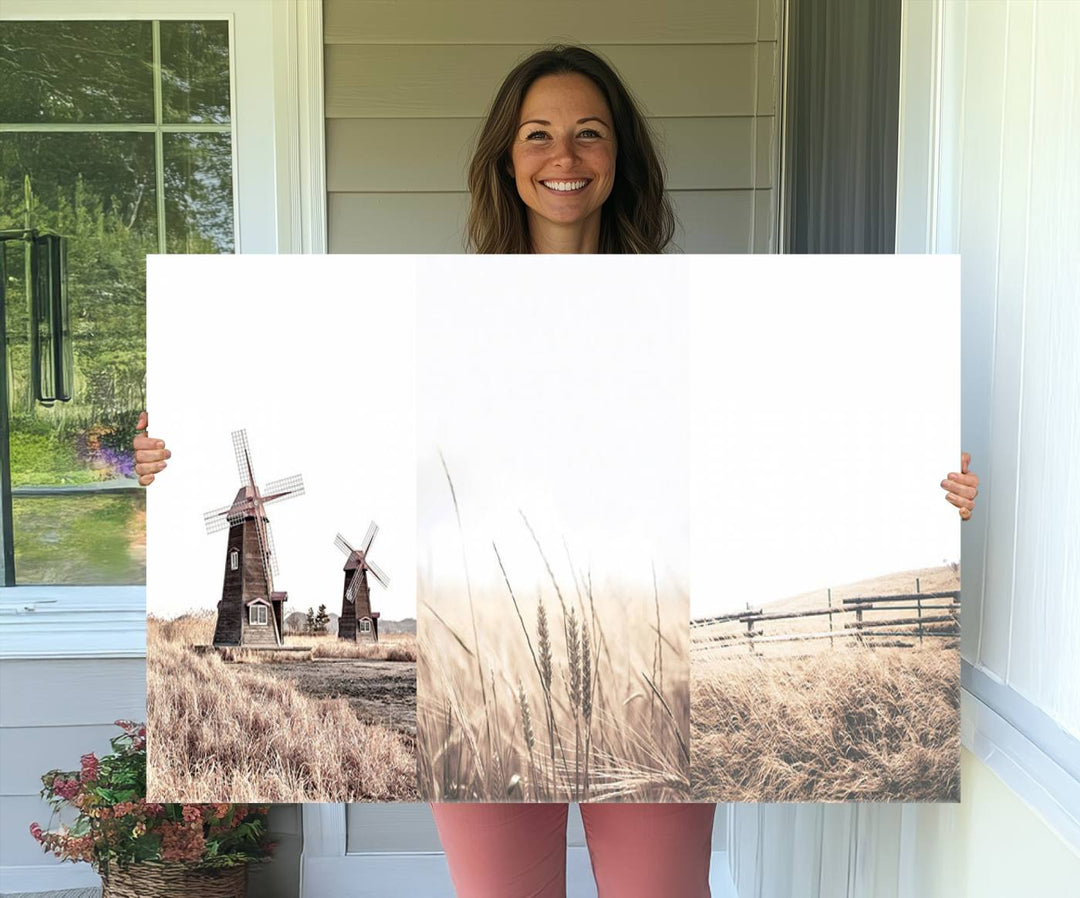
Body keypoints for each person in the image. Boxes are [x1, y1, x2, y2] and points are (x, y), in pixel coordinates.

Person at [134, 45, 979, 898]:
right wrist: (170, 460)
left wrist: (918, 486)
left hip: (644, 662)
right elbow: (379, 443)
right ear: (508, 158)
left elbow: (780, 443)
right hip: (482, 669)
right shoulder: (443, 318)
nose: (563, 157)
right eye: (538, 135)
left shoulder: (693, 317)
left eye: (589, 134)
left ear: (620, 158)